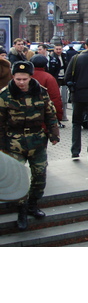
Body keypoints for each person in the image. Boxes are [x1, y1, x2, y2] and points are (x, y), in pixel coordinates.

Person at [0, 60, 60, 230]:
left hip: (37, 140)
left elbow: (50, 113)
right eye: (18, 79)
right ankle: (21, 209)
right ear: (13, 77)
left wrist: (54, 134)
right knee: (19, 178)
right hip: (14, 142)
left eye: (24, 79)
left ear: (30, 77)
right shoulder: (5, 95)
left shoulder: (40, 92)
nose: (21, 82)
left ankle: (33, 205)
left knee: (40, 175)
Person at [31, 55, 64, 122]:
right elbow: (55, 97)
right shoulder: (49, 78)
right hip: (43, 115)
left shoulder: (26, 77)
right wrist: (58, 115)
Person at [48, 42, 69, 126]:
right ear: (54, 49)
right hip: (56, 79)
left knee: (64, 98)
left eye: (60, 49)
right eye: (56, 49)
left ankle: (64, 115)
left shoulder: (64, 56)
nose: (58, 51)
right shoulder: (52, 57)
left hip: (63, 78)